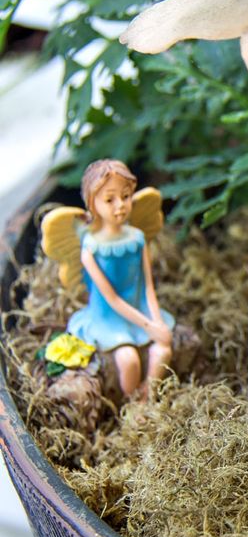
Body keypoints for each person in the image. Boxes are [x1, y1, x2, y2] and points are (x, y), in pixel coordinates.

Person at [66, 159, 174, 397]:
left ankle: (148, 398)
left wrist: (156, 321)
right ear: (92, 203)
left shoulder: (136, 238)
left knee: (164, 348)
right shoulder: (91, 248)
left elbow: (147, 285)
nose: (120, 206)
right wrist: (148, 326)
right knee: (128, 360)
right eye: (109, 199)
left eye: (125, 196)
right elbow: (111, 298)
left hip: (140, 307)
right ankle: (131, 403)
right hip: (109, 317)